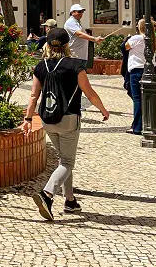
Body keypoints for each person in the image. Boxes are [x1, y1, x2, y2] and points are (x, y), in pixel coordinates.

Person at [22, 27, 110, 220]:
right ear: (66, 45)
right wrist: (103, 110)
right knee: (68, 162)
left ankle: (70, 201)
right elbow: (89, 92)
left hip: (47, 120)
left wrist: (28, 119)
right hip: (69, 118)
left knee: (64, 160)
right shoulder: (75, 65)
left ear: (47, 45)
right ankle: (47, 194)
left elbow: (33, 96)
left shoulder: (40, 66)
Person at [124, 21, 149, 134]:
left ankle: (137, 127)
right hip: (148, 69)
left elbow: (126, 46)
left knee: (137, 99)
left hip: (136, 69)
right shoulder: (152, 38)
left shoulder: (137, 38)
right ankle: (146, 123)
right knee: (146, 99)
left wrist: (129, 38)